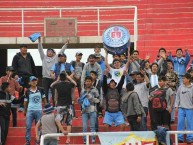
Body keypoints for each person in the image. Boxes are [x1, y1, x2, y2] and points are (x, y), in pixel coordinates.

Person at [38, 37, 69, 102]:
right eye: (48, 51)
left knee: (54, 92)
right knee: (45, 93)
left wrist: (65, 44)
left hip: (53, 79)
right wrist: (39, 41)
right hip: (45, 78)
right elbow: (40, 49)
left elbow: (61, 51)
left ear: (53, 53)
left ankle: (55, 105)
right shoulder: (43, 57)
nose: (49, 52)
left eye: (51, 51)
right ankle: (47, 105)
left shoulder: (56, 58)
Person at [12, 44, 37, 112]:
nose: (24, 49)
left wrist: (35, 76)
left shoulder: (29, 56)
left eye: (25, 48)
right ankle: (21, 106)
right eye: (23, 48)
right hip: (20, 76)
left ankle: (30, 105)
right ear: (20, 49)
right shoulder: (16, 56)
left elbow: (33, 66)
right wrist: (15, 74)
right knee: (21, 91)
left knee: (30, 90)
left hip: (29, 76)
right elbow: (14, 66)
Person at [53, 72, 76, 144]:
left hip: (60, 104)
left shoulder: (57, 85)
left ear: (60, 77)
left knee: (58, 121)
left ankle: (58, 135)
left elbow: (51, 85)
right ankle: (68, 139)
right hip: (69, 105)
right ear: (65, 77)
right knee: (69, 122)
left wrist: (57, 80)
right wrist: (69, 77)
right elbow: (75, 83)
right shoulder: (69, 84)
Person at [24, 76, 47, 145]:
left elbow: (44, 99)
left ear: (37, 81)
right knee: (28, 126)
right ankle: (28, 141)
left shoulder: (41, 89)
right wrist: (25, 110)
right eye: (32, 81)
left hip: (39, 110)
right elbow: (25, 101)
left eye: (35, 80)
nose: (34, 82)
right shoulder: (27, 91)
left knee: (39, 127)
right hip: (30, 110)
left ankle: (38, 141)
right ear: (29, 82)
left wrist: (45, 108)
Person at [79, 76, 99, 144]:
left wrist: (90, 98)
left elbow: (98, 100)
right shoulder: (82, 90)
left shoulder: (95, 90)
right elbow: (81, 101)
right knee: (84, 127)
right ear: (85, 82)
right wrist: (80, 100)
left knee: (92, 127)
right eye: (87, 81)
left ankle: (93, 140)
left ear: (92, 82)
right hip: (84, 111)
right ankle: (85, 141)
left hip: (92, 110)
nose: (88, 82)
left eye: (89, 81)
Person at [175, 73, 193, 143]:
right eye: (182, 78)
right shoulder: (180, 87)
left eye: (184, 78)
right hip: (181, 108)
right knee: (180, 123)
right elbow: (177, 97)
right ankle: (180, 138)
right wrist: (176, 106)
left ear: (188, 79)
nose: (183, 80)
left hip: (190, 108)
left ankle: (190, 138)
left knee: (190, 123)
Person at [165, 59, 179, 124]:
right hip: (165, 90)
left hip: (173, 90)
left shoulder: (175, 73)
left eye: (170, 63)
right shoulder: (164, 72)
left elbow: (177, 82)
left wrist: (173, 84)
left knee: (172, 105)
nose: (168, 65)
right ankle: (166, 118)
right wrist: (167, 83)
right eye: (167, 63)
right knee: (166, 104)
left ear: (172, 65)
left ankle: (172, 119)